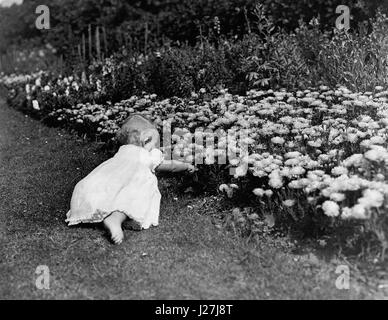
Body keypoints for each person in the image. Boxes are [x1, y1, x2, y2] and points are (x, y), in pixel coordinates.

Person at [66, 115, 196, 244]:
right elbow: (170, 166)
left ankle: (100, 210)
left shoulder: (123, 150)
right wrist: (186, 166)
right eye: (155, 142)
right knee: (134, 195)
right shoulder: (148, 154)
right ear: (146, 140)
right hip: (132, 183)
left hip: (105, 182)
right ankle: (115, 218)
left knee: (110, 193)